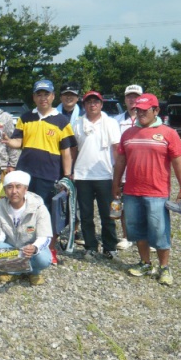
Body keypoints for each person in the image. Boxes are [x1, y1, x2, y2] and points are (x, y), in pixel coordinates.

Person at [112, 93, 181, 286]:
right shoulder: (128, 134)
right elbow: (121, 161)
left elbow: (177, 161)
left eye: (144, 110)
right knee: (137, 230)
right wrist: (115, 184)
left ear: (156, 110)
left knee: (159, 230)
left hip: (157, 193)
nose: (140, 113)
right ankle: (145, 263)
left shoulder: (168, 133)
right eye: (137, 110)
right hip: (131, 191)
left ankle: (164, 267)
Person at [3, 79, 77, 264]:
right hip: (25, 173)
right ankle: (21, 246)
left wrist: (67, 176)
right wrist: (8, 141)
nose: (42, 98)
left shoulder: (62, 120)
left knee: (48, 213)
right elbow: (19, 142)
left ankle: (49, 249)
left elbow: (66, 151)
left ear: (52, 96)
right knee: (23, 209)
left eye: (46, 94)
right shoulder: (25, 117)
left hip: (49, 174)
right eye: (39, 94)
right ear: (34, 97)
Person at [0, 170, 52, 285]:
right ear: (5, 190)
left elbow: (45, 236)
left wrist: (35, 247)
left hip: (30, 249)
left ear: (25, 189)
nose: (14, 191)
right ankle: (19, 272)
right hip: (12, 249)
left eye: (18, 187)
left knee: (44, 259)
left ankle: (31, 271)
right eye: (9, 187)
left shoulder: (39, 208)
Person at [73, 91, 121, 261]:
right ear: (84, 105)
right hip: (82, 175)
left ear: (101, 104)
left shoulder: (111, 123)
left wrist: (118, 175)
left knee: (107, 214)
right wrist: (71, 171)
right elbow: (74, 149)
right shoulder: (77, 123)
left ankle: (110, 247)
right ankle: (90, 246)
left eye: (96, 102)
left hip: (105, 175)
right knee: (86, 215)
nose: (92, 105)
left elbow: (116, 149)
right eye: (89, 102)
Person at [113, 84, 143, 250]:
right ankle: (126, 236)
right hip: (123, 170)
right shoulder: (116, 120)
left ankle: (147, 237)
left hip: (142, 170)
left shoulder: (147, 120)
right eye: (129, 96)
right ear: (125, 99)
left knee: (144, 204)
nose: (133, 100)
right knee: (124, 204)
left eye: (136, 96)